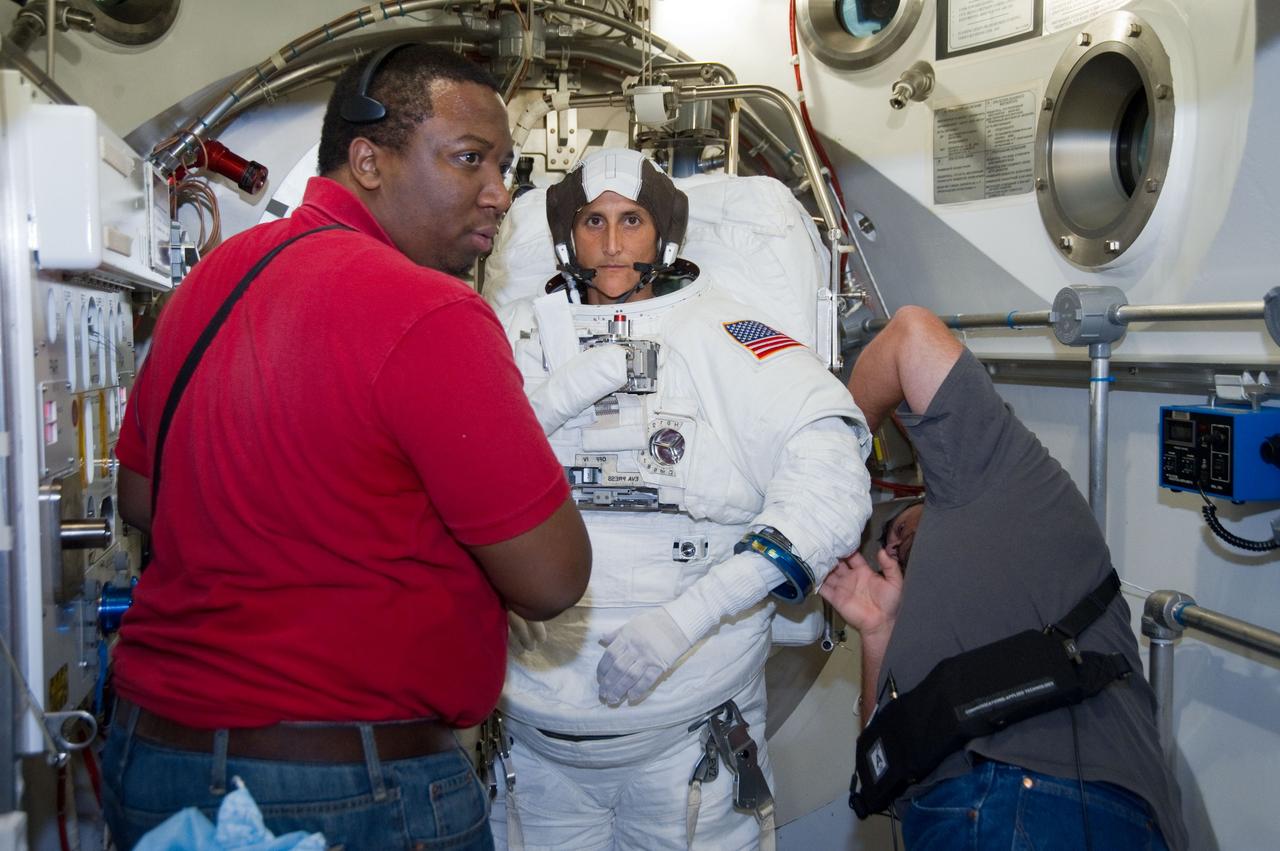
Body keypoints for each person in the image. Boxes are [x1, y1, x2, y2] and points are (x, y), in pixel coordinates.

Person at [101, 44, 591, 851]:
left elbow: (141, 501)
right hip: (344, 793)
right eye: (469, 160)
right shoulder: (431, 312)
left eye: (505, 166)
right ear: (367, 159)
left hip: (156, 766)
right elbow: (551, 577)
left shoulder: (210, 284)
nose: (500, 194)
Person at [488, 148, 873, 849]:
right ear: (565, 234)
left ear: (662, 233)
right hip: (534, 750)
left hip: (687, 742)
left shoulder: (726, 337)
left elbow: (831, 484)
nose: (610, 243)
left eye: (630, 220)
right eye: (592, 220)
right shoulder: (506, 343)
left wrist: (686, 616)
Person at [820, 306, 1187, 850]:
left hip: (1047, 795)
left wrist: (828, 470)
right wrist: (878, 632)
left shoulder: (996, 482)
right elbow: (887, 767)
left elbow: (911, 334)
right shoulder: (913, 620)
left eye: (897, 526)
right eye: (886, 548)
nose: (892, 543)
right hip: (950, 813)